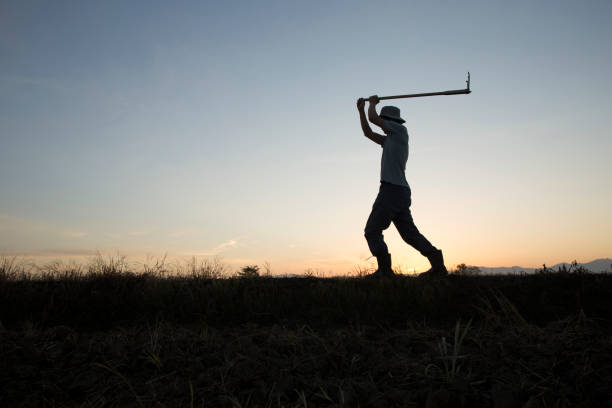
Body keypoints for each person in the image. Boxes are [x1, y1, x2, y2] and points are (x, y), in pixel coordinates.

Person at [356, 95, 448, 278]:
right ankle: (438, 264)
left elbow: (374, 119)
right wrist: (361, 110)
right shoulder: (390, 140)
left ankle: (384, 270)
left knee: (372, 230)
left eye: (385, 121)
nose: (383, 123)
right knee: (410, 234)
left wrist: (372, 104)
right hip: (400, 191)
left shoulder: (399, 130)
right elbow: (368, 133)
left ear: (390, 122)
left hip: (391, 189)